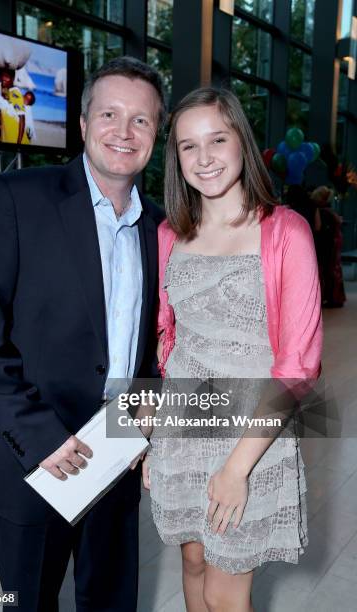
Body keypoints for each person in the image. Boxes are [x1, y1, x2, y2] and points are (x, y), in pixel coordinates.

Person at [0, 56, 165, 612]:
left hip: (117, 451)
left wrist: (145, 412)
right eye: (110, 114)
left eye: (141, 120)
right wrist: (42, 437)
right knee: (29, 601)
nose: (124, 131)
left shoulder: (161, 226)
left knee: (112, 598)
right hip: (34, 456)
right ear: (82, 123)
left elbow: (151, 343)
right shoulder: (15, 200)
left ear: (156, 135)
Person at [142, 87, 322, 612]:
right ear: (175, 157)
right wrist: (150, 436)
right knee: (193, 562)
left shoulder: (285, 231)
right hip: (184, 424)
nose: (205, 158)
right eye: (188, 146)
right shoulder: (169, 234)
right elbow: (165, 344)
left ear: (241, 141)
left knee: (227, 588)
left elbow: (298, 367)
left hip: (251, 436)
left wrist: (236, 469)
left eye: (217, 139)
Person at [311, 185, 346, 307]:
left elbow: (318, 228)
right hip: (334, 241)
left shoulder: (320, 211)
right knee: (334, 269)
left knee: (327, 269)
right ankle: (335, 297)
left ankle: (330, 297)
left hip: (327, 243)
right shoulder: (329, 211)